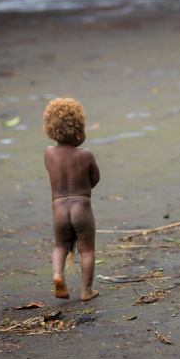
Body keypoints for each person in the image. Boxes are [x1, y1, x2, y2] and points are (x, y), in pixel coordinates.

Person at [43, 97, 100, 300]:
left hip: (58, 208)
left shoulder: (48, 153)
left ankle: (58, 274)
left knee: (60, 246)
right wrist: (84, 188)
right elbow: (95, 179)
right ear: (78, 133)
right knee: (86, 250)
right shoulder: (85, 155)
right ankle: (86, 290)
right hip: (81, 206)